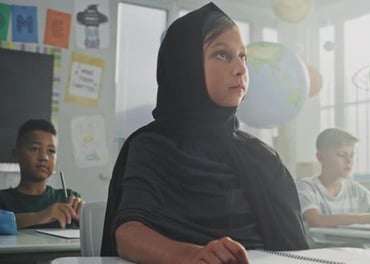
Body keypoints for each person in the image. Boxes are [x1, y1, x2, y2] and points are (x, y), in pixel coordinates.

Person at [101, 3, 308, 264]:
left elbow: (297, 251)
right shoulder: (152, 145)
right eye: (222, 55)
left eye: (243, 56)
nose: (241, 69)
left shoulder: (262, 157)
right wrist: (193, 256)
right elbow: (128, 235)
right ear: (185, 67)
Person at [0, 119, 83, 229]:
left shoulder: (68, 198)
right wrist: (40, 216)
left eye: (51, 151)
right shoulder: (3, 199)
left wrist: (86, 216)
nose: (44, 157)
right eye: (35, 149)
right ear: (16, 154)